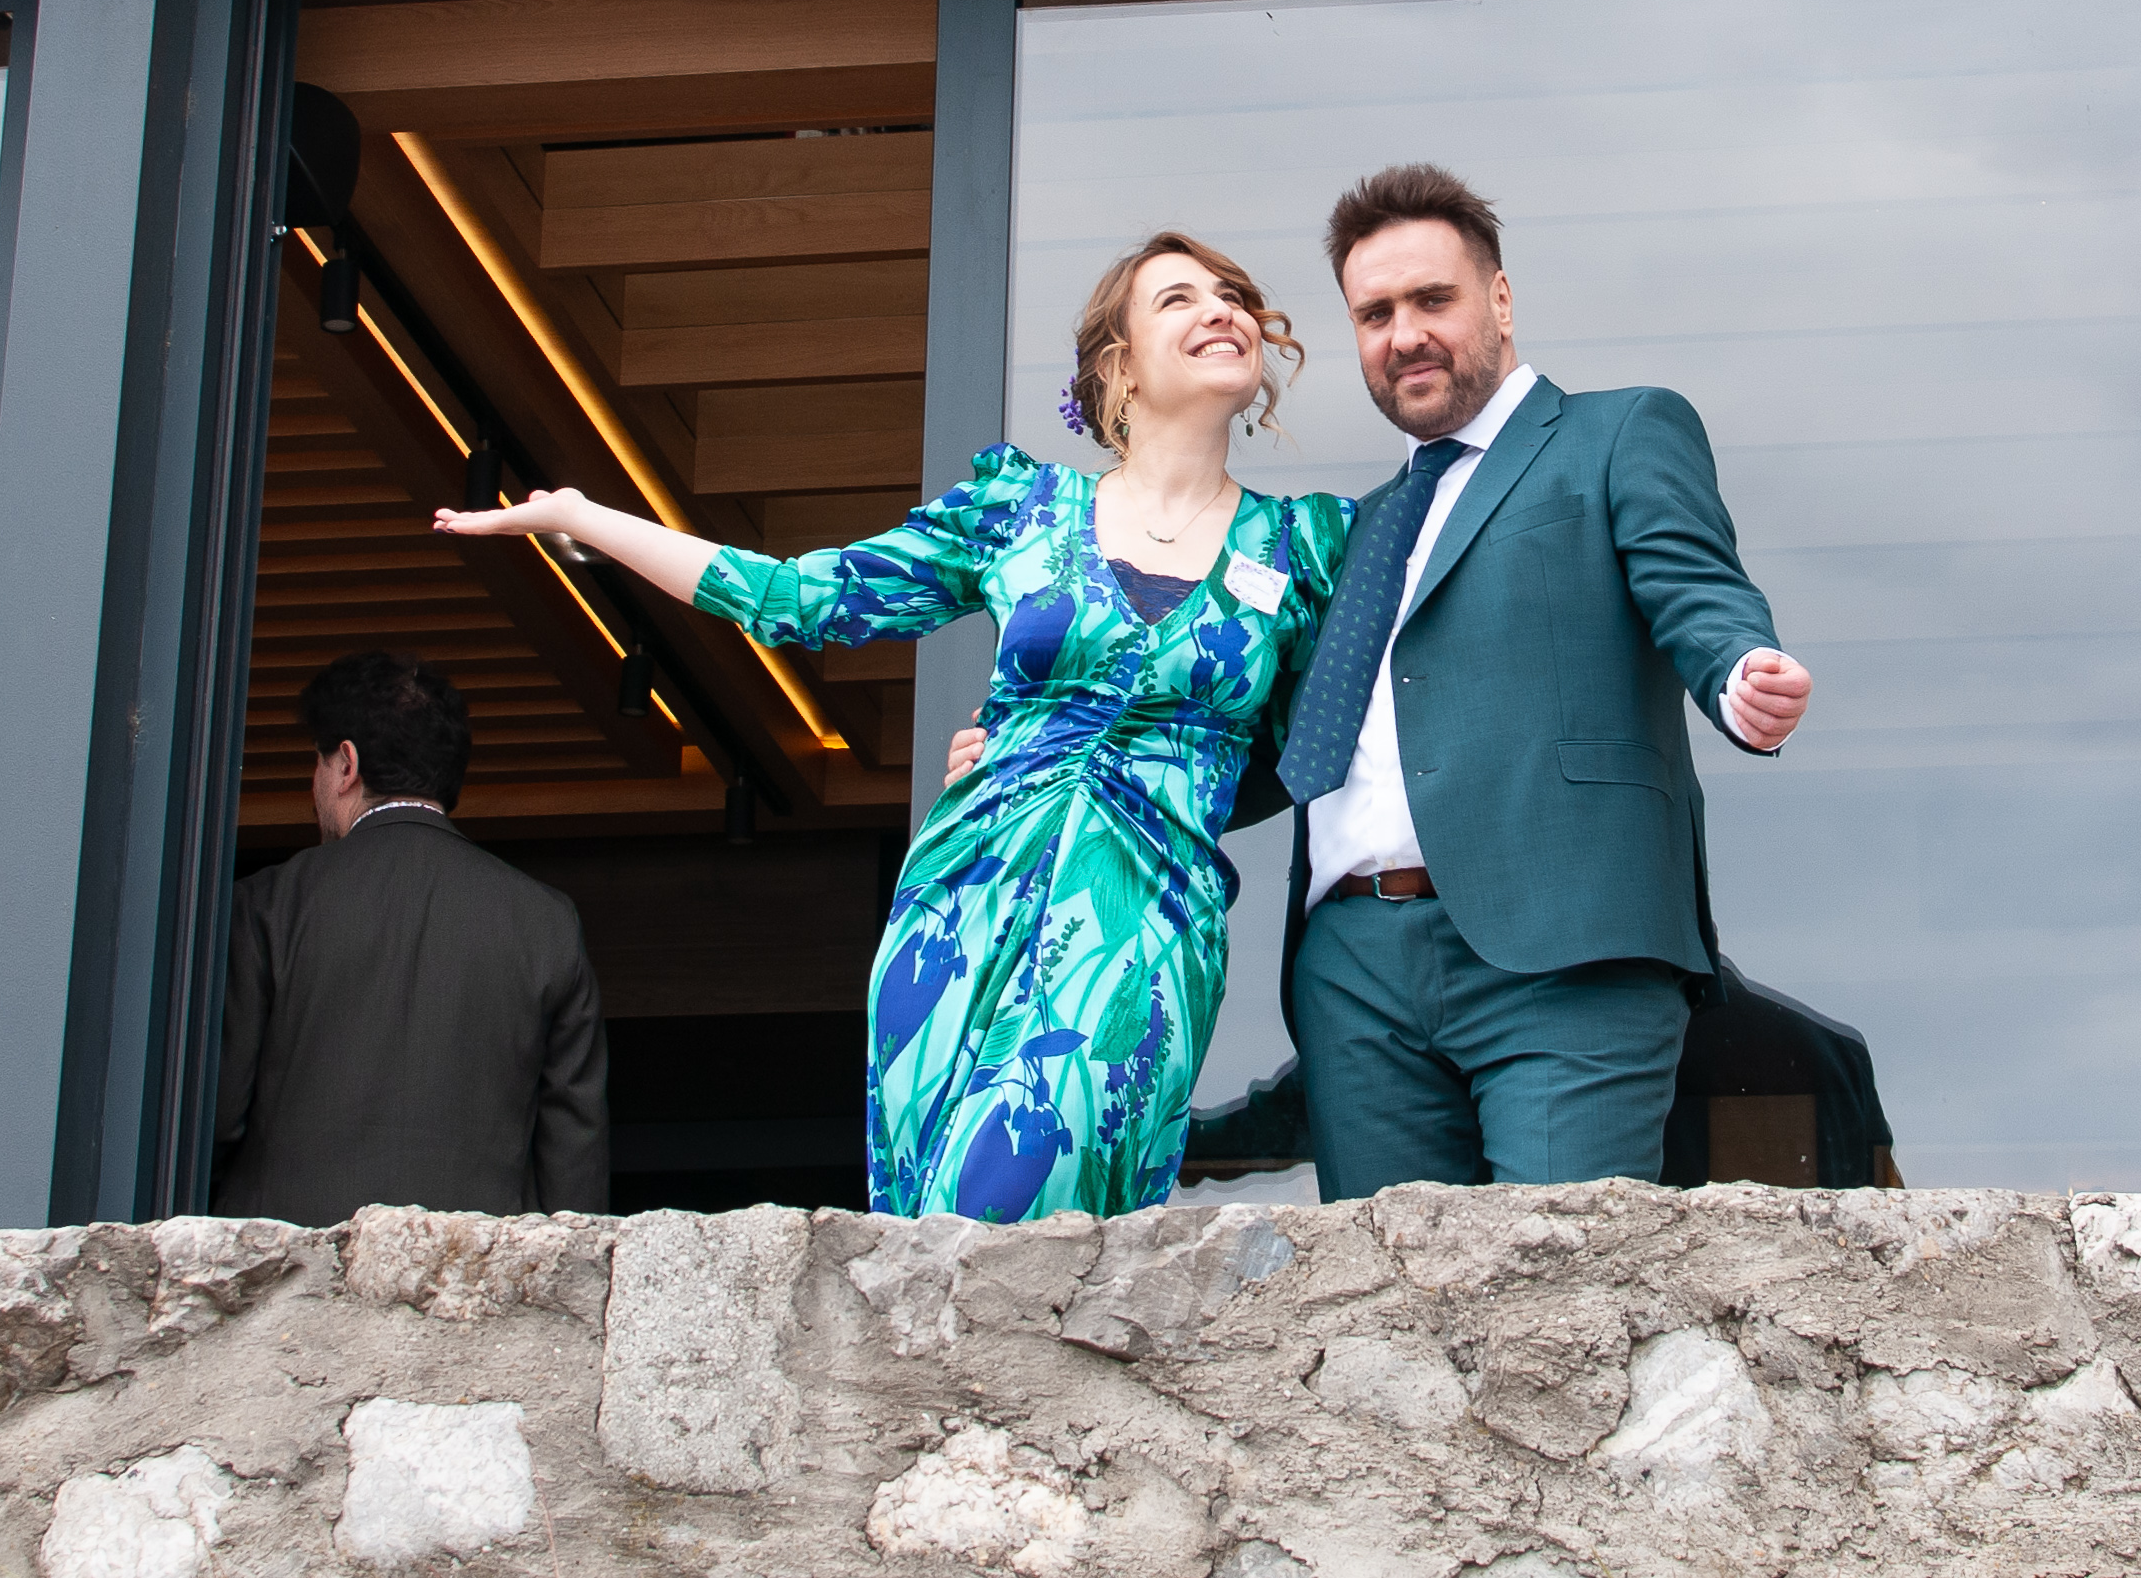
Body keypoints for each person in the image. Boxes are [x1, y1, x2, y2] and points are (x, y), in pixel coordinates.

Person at [437, 234, 1347, 1223]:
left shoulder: (1302, 546)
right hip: (965, 900)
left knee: (1023, 1165)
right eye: (1178, 297)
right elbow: (798, 596)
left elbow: (1320, 746)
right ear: (1120, 366)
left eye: (1232, 294)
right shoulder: (1021, 511)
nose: (1221, 309)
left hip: (1141, 919)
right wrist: (586, 516)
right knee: (931, 1220)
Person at [954, 165, 1813, 1202]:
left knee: (1555, 1278)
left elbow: (1696, 591)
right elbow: (1266, 739)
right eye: (1375, 313)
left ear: (1499, 299)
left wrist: (1739, 672)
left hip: (1566, 952)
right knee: (1385, 1298)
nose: (1404, 333)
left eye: (1431, 300)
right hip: (1353, 974)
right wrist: (1042, 759)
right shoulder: (1351, 531)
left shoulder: (1617, 432)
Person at [213, 651, 608, 1225]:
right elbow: (573, 1152)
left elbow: (219, 1116)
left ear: (346, 764)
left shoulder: (268, 904)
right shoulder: (546, 920)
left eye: (318, 763)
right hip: (475, 1265)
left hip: (291, 1257)